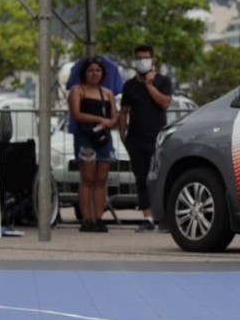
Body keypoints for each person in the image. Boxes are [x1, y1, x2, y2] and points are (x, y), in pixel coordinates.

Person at [119, 44, 173, 232]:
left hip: (157, 138)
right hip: (136, 139)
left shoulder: (163, 81)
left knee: (159, 177)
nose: (142, 61)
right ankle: (147, 217)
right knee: (141, 178)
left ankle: (163, 216)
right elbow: (124, 112)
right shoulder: (129, 86)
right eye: (139, 58)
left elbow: (164, 103)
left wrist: (149, 85)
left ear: (153, 59)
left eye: (145, 57)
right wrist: (123, 135)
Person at [68, 57, 120, 232]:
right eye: (91, 70)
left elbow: (114, 116)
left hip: (104, 138)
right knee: (88, 179)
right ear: (84, 73)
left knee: (101, 179)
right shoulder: (77, 90)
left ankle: (98, 218)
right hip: (85, 137)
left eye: (97, 71)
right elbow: (76, 114)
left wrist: (108, 123)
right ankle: (86, 218)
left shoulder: (107, 93)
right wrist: (99, 119)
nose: (94, 74)